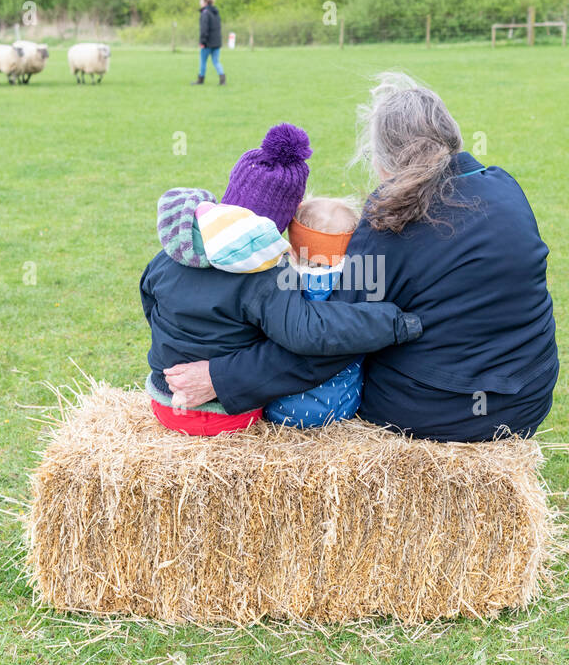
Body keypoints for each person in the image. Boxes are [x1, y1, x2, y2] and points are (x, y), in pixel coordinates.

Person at [165, 73, 559, 443]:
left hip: (434, 410)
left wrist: (220, 378)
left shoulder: (391, 220)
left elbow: (329, 340)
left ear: (384, 159)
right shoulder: (506, 187)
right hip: (528, 401)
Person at [140, 124, 423, 436]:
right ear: (284, 220)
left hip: (164, 401)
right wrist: (393, 322)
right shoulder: (266, 275)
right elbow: (305, 333)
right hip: (225, 414)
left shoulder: (170, 251)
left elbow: (149, 300)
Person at [263, 197, 364, 428]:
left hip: (278, 408)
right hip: (342, 408)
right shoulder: (358, 281)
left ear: (294, 250)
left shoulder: (278, 279)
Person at [193, 0, 225, 85]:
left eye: (201, 1)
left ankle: (200, 80)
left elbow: (204, 29)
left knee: (203, 62)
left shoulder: (205, 13)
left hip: (207, 42)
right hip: (217, 42)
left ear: (205, 2)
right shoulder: (216, 12)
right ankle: (222, 79)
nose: (200, 3)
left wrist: (202, 41)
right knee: (216, 61)